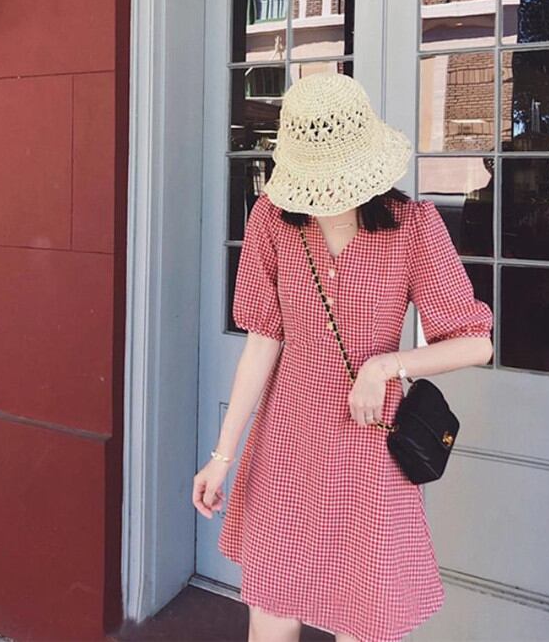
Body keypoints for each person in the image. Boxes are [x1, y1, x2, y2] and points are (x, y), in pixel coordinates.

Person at [192, 72, 494, 642]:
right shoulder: (272, 220)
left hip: (369, 446)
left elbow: (476, 341)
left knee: (366, 618)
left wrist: (387, 365)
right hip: (286, 443)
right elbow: (262, 341)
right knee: (271, 612)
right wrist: (221, 458)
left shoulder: (413, 227)